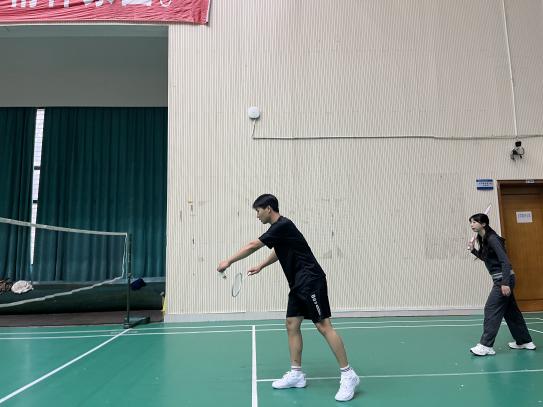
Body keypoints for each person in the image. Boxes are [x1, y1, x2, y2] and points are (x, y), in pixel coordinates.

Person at [217, 194, 360, 402]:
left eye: (258, 211)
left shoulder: (282, 225)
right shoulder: (280, 230)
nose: (257, 216)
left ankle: (348, 375)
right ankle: (296, 374)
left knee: (323, 326)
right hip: (297, 284)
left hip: (311, 280)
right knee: (292, 324)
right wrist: (261, 266)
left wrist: (228, 261)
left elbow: (252, 245)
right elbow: (279, 250)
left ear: (268, 209)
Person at [468, 213, 536, 356]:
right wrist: (473, 249)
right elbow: (487, 258)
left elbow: (505, 261)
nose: (472, 225)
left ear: (483, 224)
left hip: (503, 280)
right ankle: (524, 341)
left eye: (474, 222)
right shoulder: (484, 239)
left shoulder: (493, 239)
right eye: (471, 222)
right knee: (511, 312)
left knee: (491, 308)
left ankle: (486, 346)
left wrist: (505, 283)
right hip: (502, 279)